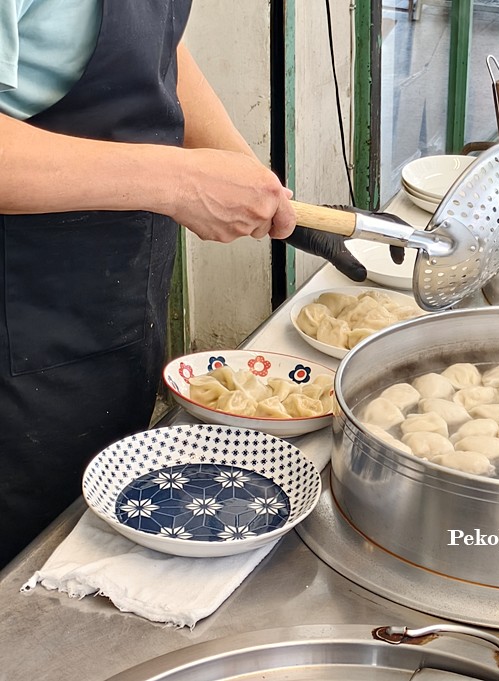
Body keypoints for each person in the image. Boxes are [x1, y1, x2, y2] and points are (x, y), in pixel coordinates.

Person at [0, 0, 365, 568]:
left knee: (92, 517)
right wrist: (176, 181)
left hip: (109, 288)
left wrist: (263, 191)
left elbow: (160, 50)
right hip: (19, 300)